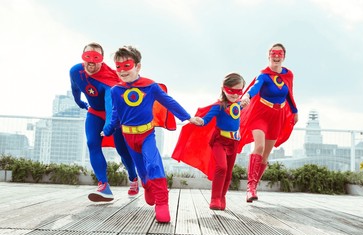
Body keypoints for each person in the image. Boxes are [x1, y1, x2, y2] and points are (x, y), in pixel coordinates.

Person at [102, 45, 199, 223]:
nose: (122, 71)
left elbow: (169, 102)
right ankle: (147, 185)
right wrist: (108, 129)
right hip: (128, 137)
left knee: (154, 164)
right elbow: (116, 113)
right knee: (142, 171)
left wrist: (187, 117)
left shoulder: (150, 86)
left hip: (147, 134)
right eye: (118, 67)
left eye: (127, 66)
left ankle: (162, 203)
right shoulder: (116, 90)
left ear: (138, 66)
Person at [69, 42, 139, 202]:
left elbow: (110, 105)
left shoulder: (109, 79)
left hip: (115, 115)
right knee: (92, 143)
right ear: (83, 57)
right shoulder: (75, 71)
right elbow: (74, 87)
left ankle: (133, 178)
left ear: (101, 60)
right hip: (94, 112)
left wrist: (109, 125)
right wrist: (79, 102)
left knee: (122, 151)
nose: (91, 61)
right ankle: (103, 186)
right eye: (88, 57)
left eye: (96, 57)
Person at [172, 73, 246, 210]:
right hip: (220, 141)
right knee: (222, 167)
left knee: (229, 172)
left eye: (238, 91)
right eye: (231, 91)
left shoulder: (239, 105)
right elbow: (207, 119)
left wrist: (246, 99)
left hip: (234, 142)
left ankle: (222, 197)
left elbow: (248, 100)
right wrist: (201, 121)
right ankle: (215, 198)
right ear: (223, 89)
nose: (235, 94)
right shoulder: (219, 106)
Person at [239, 43, 298, 203]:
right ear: (269, 56)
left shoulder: (288, 75)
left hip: (277, 116)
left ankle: (255, 186)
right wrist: (247, 97)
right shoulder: (263, 75)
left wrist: (294, 111)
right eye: (273, 53)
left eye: (279, 53)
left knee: (265, 155)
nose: (276, 56)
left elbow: (289, 94)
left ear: (284, 56)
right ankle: (250, 188)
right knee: (259, 146)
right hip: (261, 114)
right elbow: (255, 88)